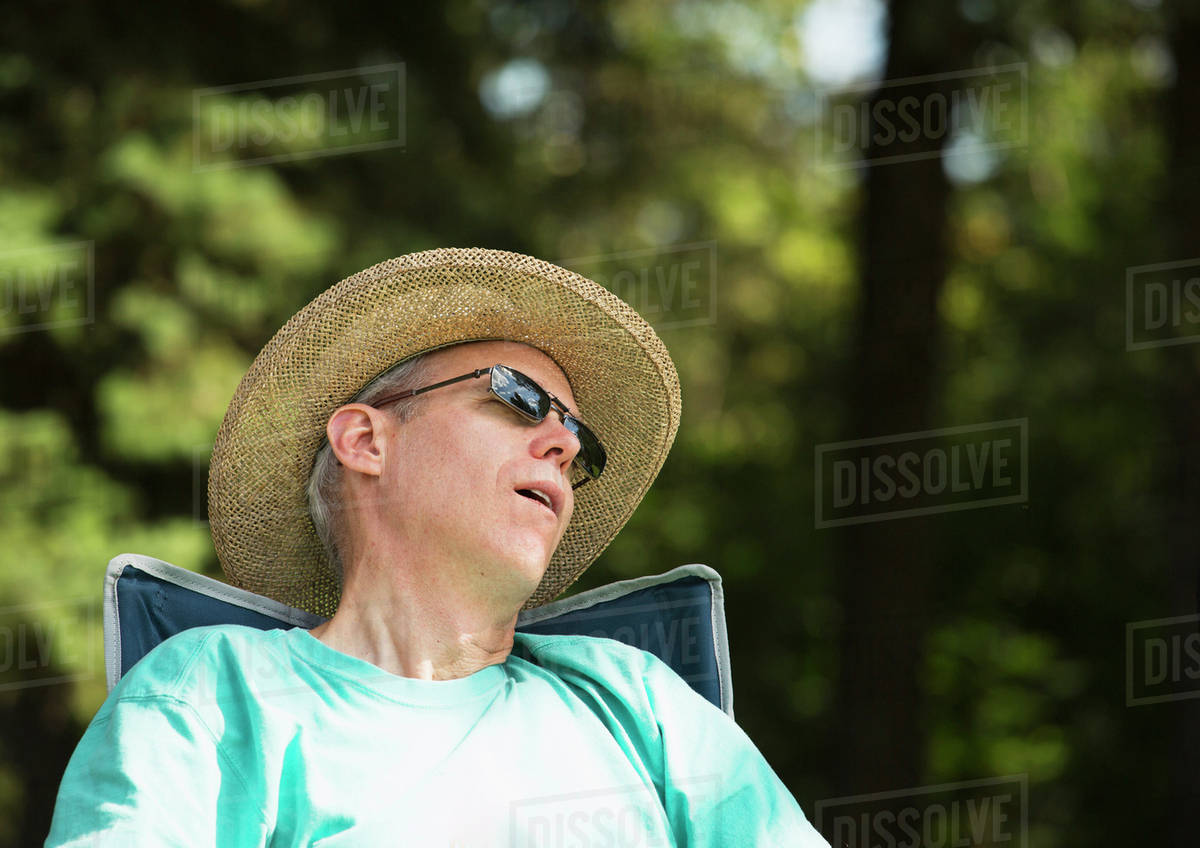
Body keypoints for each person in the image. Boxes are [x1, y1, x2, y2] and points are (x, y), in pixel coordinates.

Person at [46, 248, 829, 846]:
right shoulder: (216, 692)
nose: (562, 441)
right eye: (518, 399)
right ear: (365, 440)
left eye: (579, 440)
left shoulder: (639, 700)